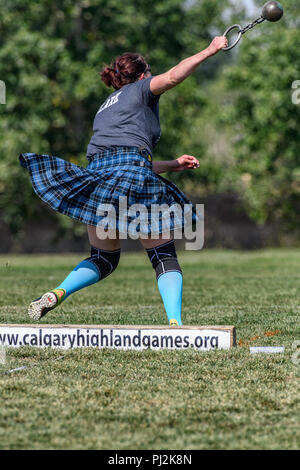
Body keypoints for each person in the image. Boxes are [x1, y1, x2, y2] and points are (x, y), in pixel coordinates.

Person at [19, 36, 228, 326]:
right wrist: (210, 50)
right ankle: (175, 324)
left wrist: (173, 164)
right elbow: (173, 76)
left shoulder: (105, 107)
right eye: (150, 73)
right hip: (131, 175)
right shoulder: (142, 89)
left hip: (99, 179)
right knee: (163, 256)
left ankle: (57, 292)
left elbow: (123, 162)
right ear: (142, 75)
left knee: (104, 259)